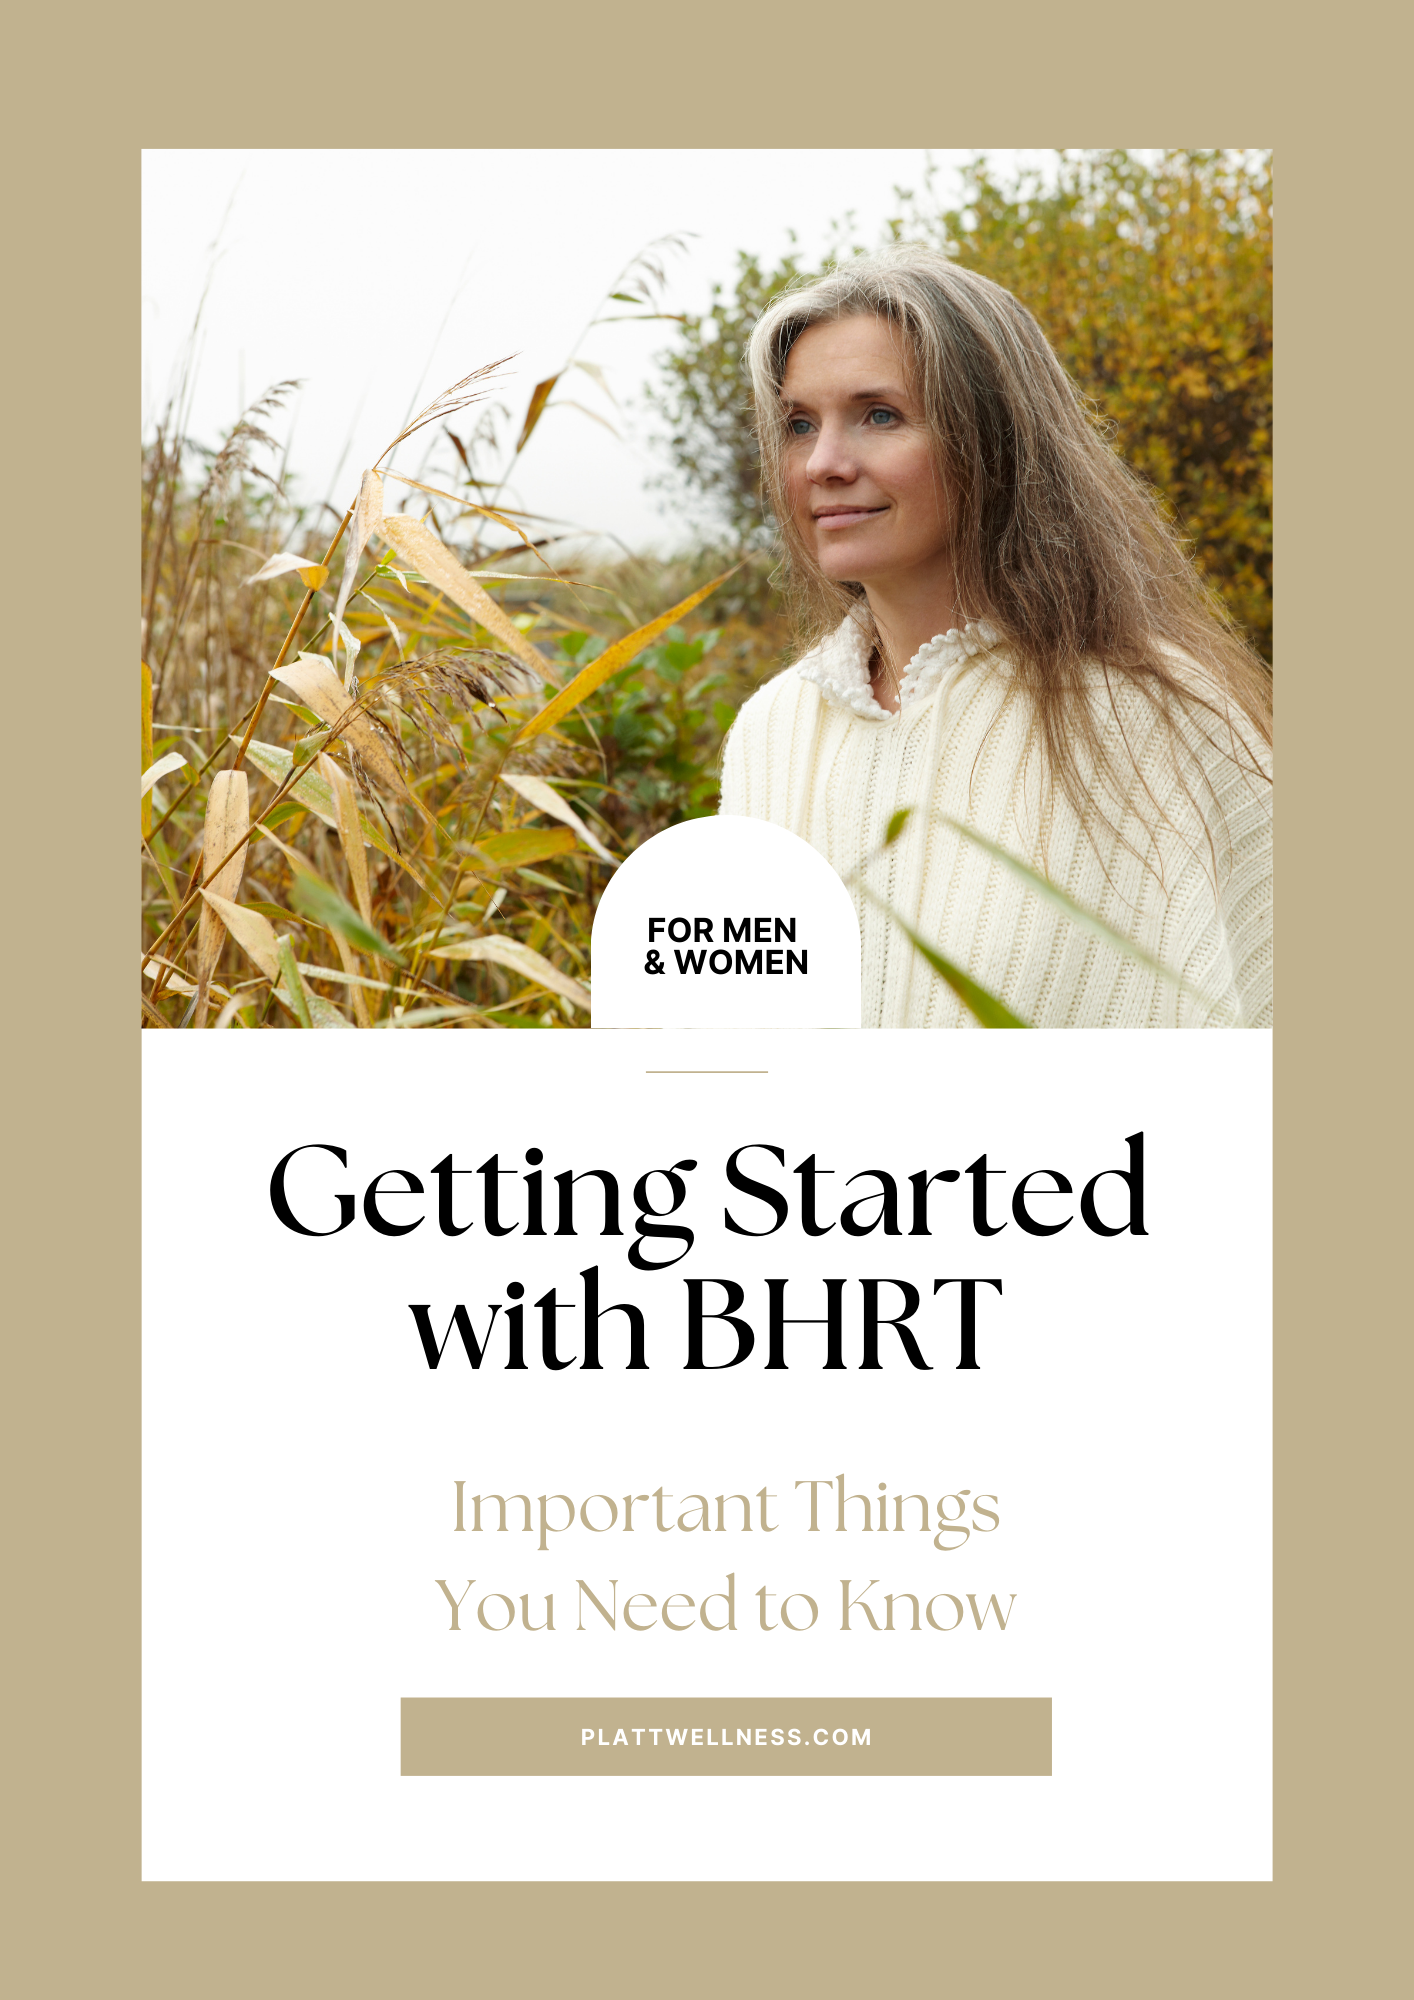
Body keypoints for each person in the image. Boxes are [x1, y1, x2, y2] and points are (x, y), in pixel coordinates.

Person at [718, 246, 1272, 1029]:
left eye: (879, 415)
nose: (824, 463)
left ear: (993, 442)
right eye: (799, 425)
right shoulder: (771, 732)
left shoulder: (1158, 716)